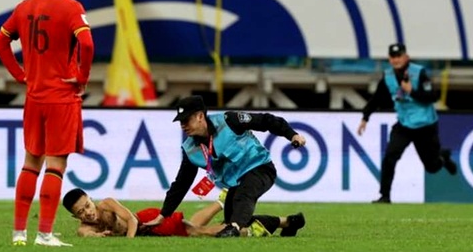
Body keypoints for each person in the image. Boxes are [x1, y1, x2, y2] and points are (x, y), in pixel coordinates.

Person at [0, 0, 95, 247]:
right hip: (62, 96)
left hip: (34, 96)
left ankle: (19, 234)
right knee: (55, 166)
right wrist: (83, 78)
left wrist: (20, 74)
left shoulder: (26, 6)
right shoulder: (72, 7)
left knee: (30, 163)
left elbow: (0, 42)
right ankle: (45, 234)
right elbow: (86, 43)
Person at [141, 95, 307, 238]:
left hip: (260, 168)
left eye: (186, 120)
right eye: (180, 121)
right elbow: (181, 184)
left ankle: (234, 228)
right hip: (236, 182)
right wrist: (163, 215)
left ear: (200, 116)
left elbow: (266, 120)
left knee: (242, 202)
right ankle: (289, 222)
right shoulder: (190, 149)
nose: (182, 125)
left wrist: (292, 134)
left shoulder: (229, 120)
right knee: (235, 219)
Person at [358, 43, 458, 204]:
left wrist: (412, 91)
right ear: (389, 59)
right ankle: (385, 196)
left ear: (406, 57)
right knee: (390, 156)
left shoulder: (419, 73)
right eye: (393, 57)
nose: (396, 59)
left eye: (399, 56)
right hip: (404, 124)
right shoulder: (388, 76)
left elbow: (432, 96)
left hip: (425, 125)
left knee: (431, 167)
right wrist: (365, 117)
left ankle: (443, 158)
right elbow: (376, 98)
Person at [63, 188, 305, 238]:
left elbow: (130, 220)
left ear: (91, 200)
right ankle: (288, 222)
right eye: (81, 212)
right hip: (147, 232)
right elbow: (87, 235)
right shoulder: (84, 228)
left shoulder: (107, 203)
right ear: (76, 216)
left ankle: (264, 226)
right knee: (193, 229)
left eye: (87, 205)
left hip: (147, 221)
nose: (88, 213)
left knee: (200, 233)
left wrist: (128, 244)